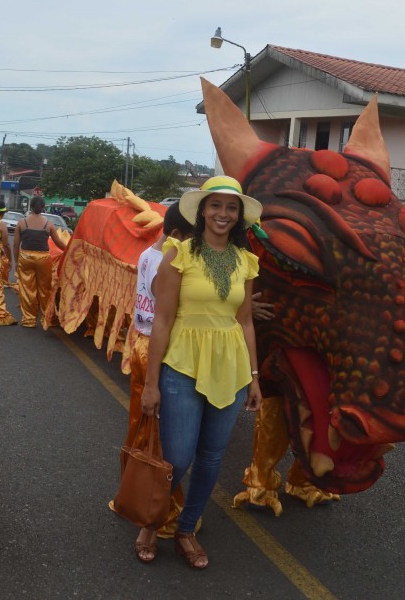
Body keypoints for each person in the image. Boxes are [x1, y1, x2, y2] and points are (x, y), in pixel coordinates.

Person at [138, 176, 264, 569]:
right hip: (182, 365)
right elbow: (161, 321)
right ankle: (150, 523)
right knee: (176, 457)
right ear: (202, 210)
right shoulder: (179, 253)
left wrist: (255, 377)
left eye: (231, 208)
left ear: (238, 216)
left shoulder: (246, 261)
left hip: (231, 367)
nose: (223, 214)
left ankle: (186, 530)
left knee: (211, 458)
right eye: (216, 206)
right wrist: (151, 383)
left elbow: (245, 323)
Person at [122, 203, 194, 549]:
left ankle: (133, 489)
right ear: (179, 235)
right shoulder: (169, 261)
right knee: (166, 435)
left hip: (138, 340)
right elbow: (175, 311)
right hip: (157, 349)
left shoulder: (147, 252)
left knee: (140, 422)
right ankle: (165, 509)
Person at [13, 196, 68, 327]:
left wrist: (16, 262)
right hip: (43, 258)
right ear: (43, 207)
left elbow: (15, 245)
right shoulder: (48, 224)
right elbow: (59, 243)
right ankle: (46, 318)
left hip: (25, 257)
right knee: (45, 289)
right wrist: (70, 250)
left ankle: (29, 320)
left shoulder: (22, 223)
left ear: (30, 207)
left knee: (27, 289)